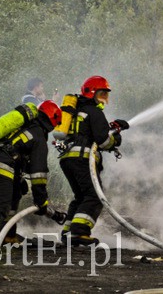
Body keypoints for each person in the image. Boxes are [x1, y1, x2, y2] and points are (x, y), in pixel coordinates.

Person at [0, 100, 62, 246]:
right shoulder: (39, 137)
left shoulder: (25, 127)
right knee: (1, 205)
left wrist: (18, 180)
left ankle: (8, 236)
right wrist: (41, 200)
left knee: (14, 196)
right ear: (52, 121)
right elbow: (38, 173)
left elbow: (17, 153)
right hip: (2, 165)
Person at [59, 75, 128, 246]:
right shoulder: (94, 112)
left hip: (67, 158)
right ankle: (79, 232)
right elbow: (103, 141)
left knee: (81, 196)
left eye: (106, 94)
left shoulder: (76, 112)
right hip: (83, 158)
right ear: (91, 93)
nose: (104, 99)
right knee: (94, 196)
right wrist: (116, 139)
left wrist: (112, 128)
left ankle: (68, 232)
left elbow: (89, 133)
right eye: (101, 94)